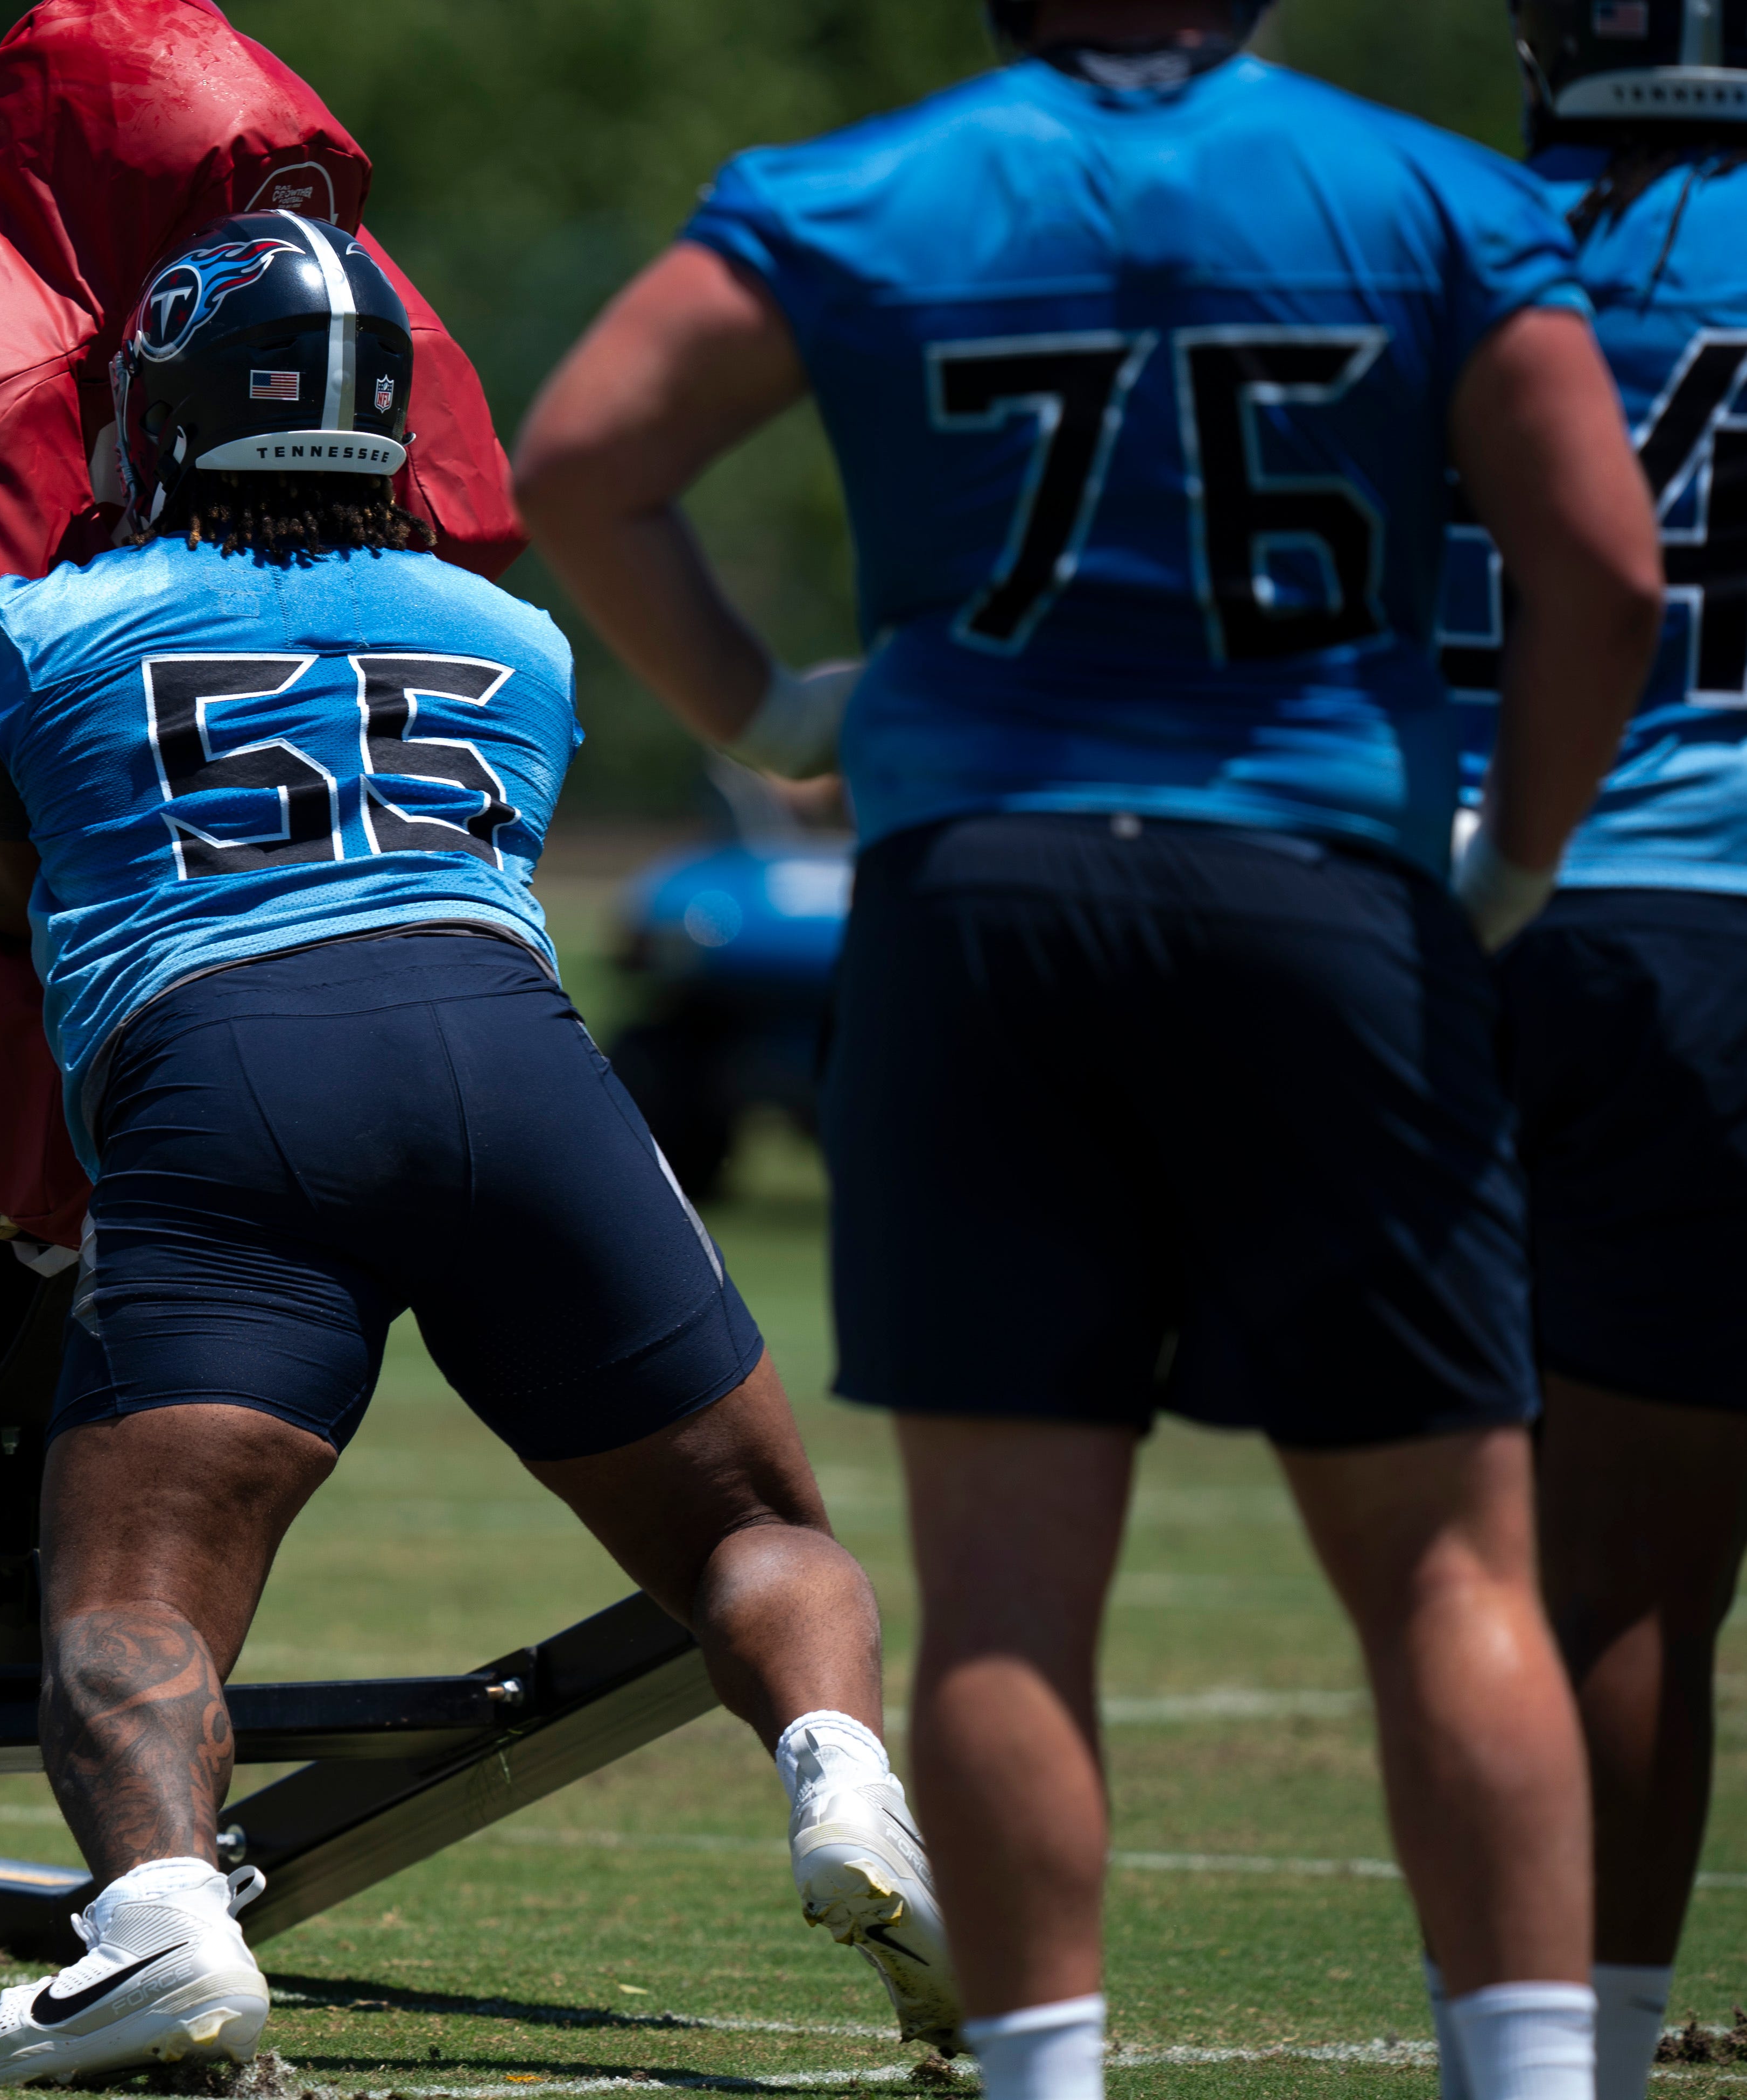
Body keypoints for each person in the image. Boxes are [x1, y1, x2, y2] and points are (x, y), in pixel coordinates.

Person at [513, 2, 1665, 2096]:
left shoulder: (862, 189)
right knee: (1449, 1570)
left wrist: (780, 720)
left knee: (1010, 1586)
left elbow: (586, 457)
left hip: (983, 906)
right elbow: (1602, 563)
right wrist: (1511, 871)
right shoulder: (1428, 194)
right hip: (1325, 897)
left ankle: (1047, 2081)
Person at [0, 209, 960, 2087]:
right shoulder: (518, 635)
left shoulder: (40, 626)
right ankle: (852, 1790)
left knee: (133, 1604)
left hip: (227, 1080)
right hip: (516, 1071)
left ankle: (161, 1927)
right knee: (753, 1525)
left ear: (167, 413)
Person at [1424, 10, 1747, 2095]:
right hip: (1716, 908)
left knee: (1511, 1561)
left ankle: (1557, 2054)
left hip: (1430, 912)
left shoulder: (1418, 236)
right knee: (1637, 1570)